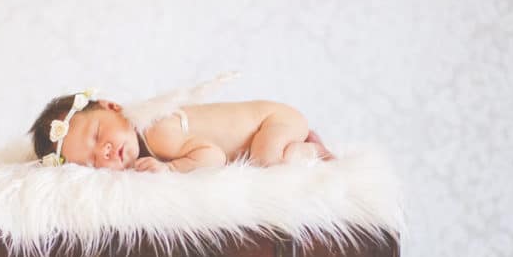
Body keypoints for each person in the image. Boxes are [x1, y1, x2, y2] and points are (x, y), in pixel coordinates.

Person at [26, 75, 334, 173]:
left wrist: (170, 169)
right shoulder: (143, 144)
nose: (104, 151)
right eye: (92, 161)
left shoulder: (157, 131)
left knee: (268, 159)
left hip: (272, 122)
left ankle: (310, 150)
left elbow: (215, 157)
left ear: (113, 107)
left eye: (97, 134)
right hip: (274, 122)